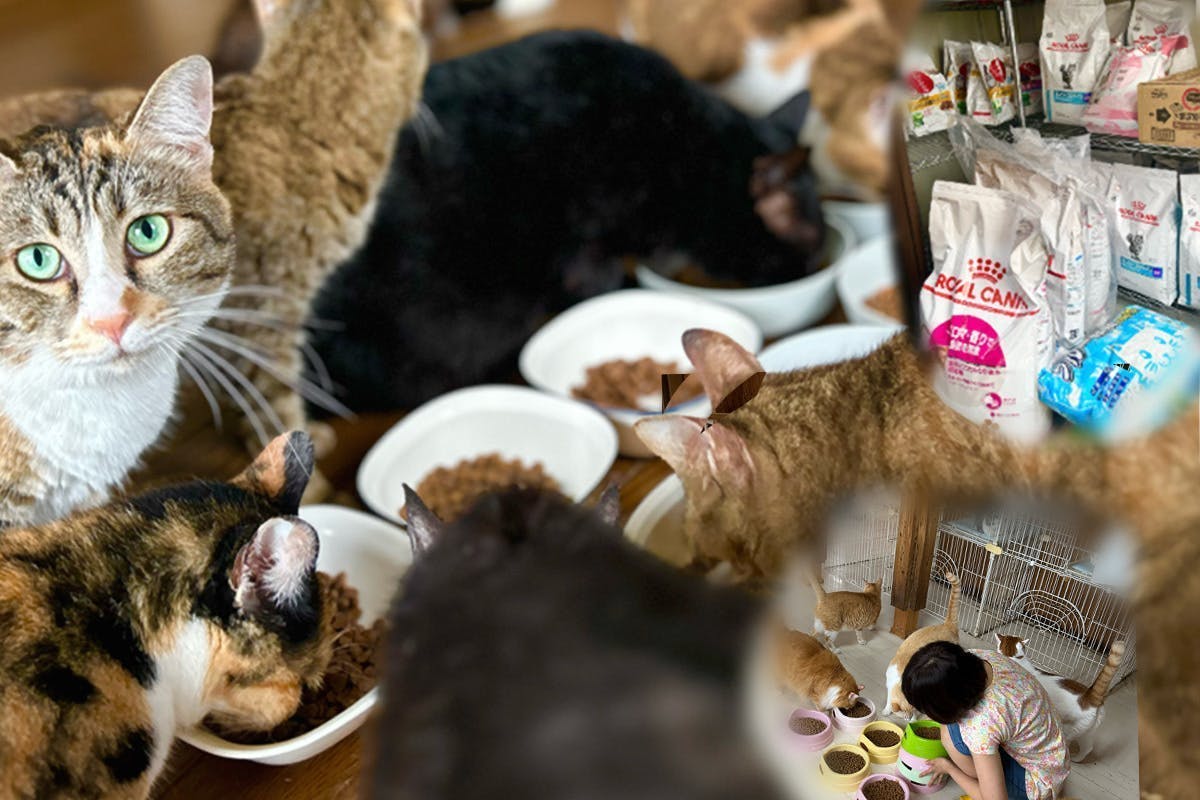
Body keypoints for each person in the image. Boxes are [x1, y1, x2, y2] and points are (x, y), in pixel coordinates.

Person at [901, 641, 1070, 800]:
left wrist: (950, 768)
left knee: (949, 734)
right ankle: (984, 769)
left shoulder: (981, 725)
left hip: (1039, 782)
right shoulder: (976, 659)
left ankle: (982, 773)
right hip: (1052, 754)